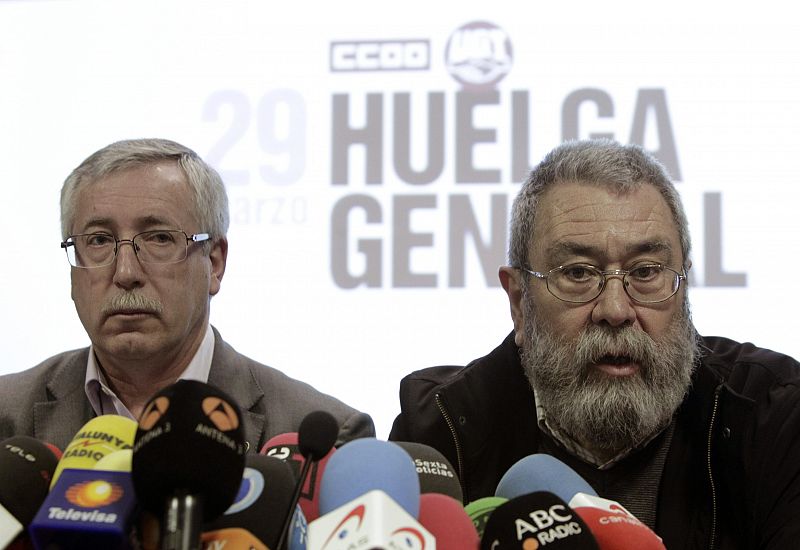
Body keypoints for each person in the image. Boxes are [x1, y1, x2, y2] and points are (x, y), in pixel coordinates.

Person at [390, 139, 800, 549]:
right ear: (519, 301)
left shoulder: (771, 417)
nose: (616, 310)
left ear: (684, 285)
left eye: (646, 271)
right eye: (579, 273)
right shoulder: (439, 433)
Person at [0, 138, 374, 452]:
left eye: (159, 238)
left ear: (214, 262)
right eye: (98, 240)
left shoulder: (320, 438)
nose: (126, 273)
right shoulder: (7, 418)